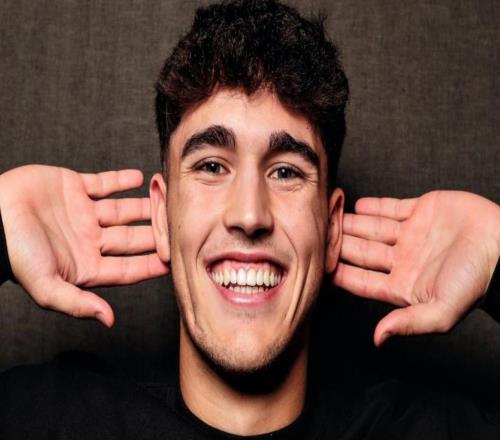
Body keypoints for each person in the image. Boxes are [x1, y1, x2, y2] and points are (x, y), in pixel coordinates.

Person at [0, 0, 498, 438]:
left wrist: (497, 250)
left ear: (332, 228)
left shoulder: (430, 430)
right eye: (212, 166)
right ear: (161, 217)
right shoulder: (46, 420)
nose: (249, 214)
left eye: (286, 172)